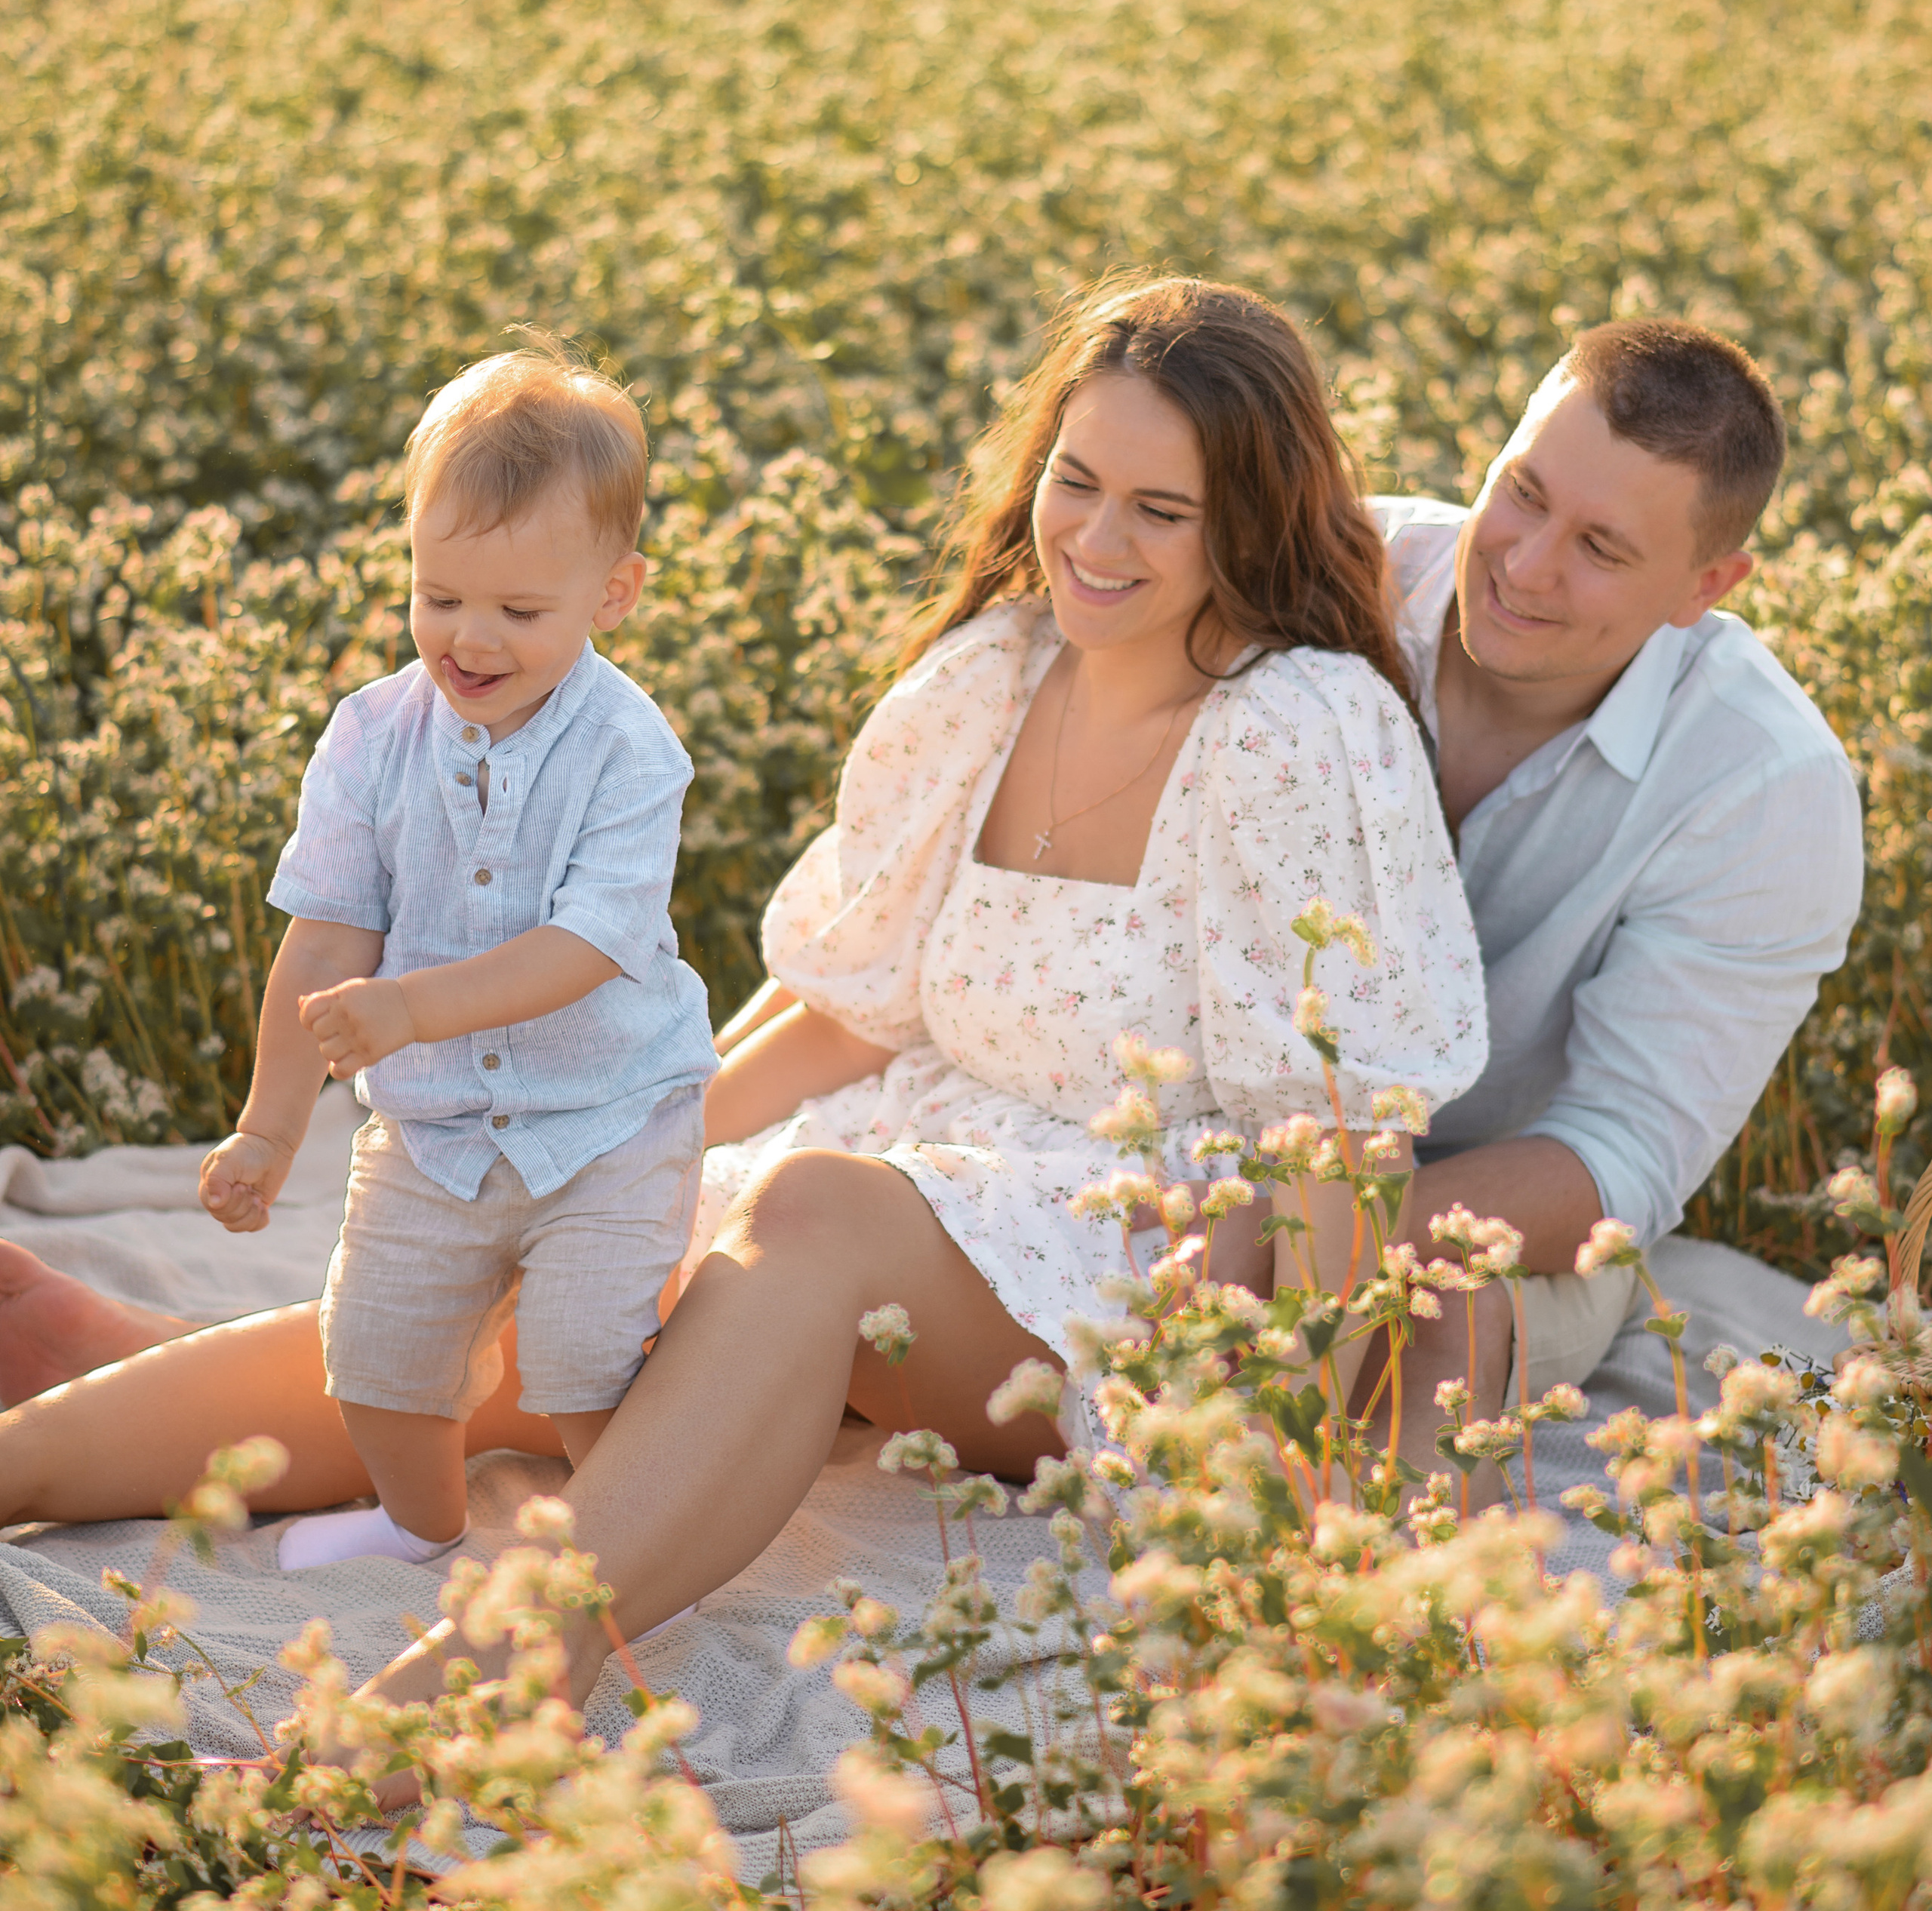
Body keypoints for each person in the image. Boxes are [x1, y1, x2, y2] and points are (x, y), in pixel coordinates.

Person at [0, 276, 1486, 1719]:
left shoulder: (1294, 730)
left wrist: (1298, 1458)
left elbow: (1337, 1126)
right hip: (929, 1166)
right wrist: (628, 1157)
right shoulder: (990, 675)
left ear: (1244, 521)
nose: (1094, 539)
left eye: (1158, 512)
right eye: (1076, 481)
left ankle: (479, 1680)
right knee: (544, 1297)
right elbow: (843, 1006)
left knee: (816, 1211)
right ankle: (29, 1461)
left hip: (1150, 1256)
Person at [198, 341, 717, 1571]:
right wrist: (271, 1130)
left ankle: (634, 1551)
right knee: (373, 1356)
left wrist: (413, 1007)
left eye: (519, 613)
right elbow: (322, 939)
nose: (468, 639)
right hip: (434, 1124)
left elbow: (590, 944)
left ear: (615, 591)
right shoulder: (374, 737)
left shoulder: (632, 753)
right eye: (440, 598)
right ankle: (421, 1528)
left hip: (610, 1112)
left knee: (589, 1360)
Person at [1366, 317, 1863, 1421]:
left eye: (1602, 548)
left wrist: (1293, 1245)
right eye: (1524, 493)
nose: (1525, 565)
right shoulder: (1325, 581)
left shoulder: (1765, 784)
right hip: (1198, 1141)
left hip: (1511, 1223)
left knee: (1425, 1326)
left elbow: (1617, 1153)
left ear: (1707, 585)